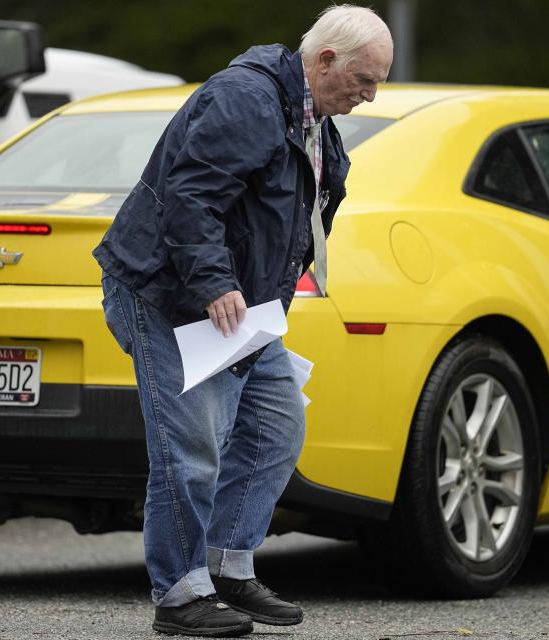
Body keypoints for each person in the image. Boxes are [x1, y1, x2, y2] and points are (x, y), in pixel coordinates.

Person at [93, 5, 393, 637]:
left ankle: (229, 568)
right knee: (191, 448)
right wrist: (214, 283)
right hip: (168, 297)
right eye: (365, 79)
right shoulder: (248, 101)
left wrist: (260, 301)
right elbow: (191, 196)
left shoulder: (313, 119)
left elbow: (291, 224)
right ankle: (179, 595)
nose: (370, 94)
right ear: (326, 60)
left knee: (276, 426)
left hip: (239, 313)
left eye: (378, 83)